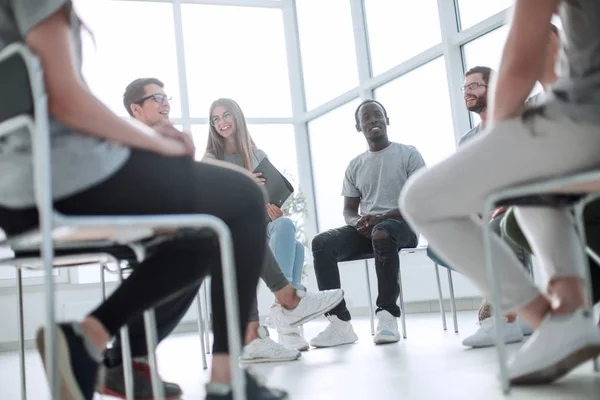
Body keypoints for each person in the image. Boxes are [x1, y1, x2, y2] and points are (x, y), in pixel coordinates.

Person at [0, 1, 287, 399]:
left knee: (200, 238)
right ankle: (228, 381)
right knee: (243, 195)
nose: (164, 103)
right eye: (157, 98)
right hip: (63, 178)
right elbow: (64, 96)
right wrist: (156, 141)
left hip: (13, 200)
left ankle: (94, 342)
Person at [400, 0, 600, 385]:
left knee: (419, 199)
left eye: (476, 84)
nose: (469, 91)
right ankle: (569, 309)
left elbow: (522, 54)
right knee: (519, 179)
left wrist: (502, 135)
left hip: (584, 119)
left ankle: (547, 321)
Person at [203, 98, 344, 358]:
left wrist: (271, 208)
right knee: (297, 250)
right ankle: (288, 311)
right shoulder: (211, 159)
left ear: (237, 116)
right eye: (215, 119)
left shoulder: (257, 155)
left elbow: (266, 198)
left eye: (226, 115)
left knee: (285, 224)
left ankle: (285, 311)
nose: (221, 122)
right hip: (232, 230)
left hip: (260, 224)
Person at [500, 24, 600, 316]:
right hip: (557, 188)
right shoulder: (529, 108)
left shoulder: (585, 87)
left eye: (546, 36)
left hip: (586, 183)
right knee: (513, 223)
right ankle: (588, 286)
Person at [310, 100, 425, 347]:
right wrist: (357, 221)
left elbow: (419, 200)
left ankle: (387, 316)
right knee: (321, 243)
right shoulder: (355, 165)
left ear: (387, 119)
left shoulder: (408, 154)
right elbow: (349, 210)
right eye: (366, 117)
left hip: (402, 225)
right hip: (369, 229)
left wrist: (381, 218)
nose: (373, 120)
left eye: (378, 115)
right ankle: (339, 323)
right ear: (358, 126)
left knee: (382, 233)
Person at [454, 66, 533, 349]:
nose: (468, 92)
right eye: (465, 88)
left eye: (475, 85)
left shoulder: (511, 123)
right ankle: (501, 304)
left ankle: (510, 313)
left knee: (498, 224)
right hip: (482, 209)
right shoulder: (466, 141)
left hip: (515, 202)